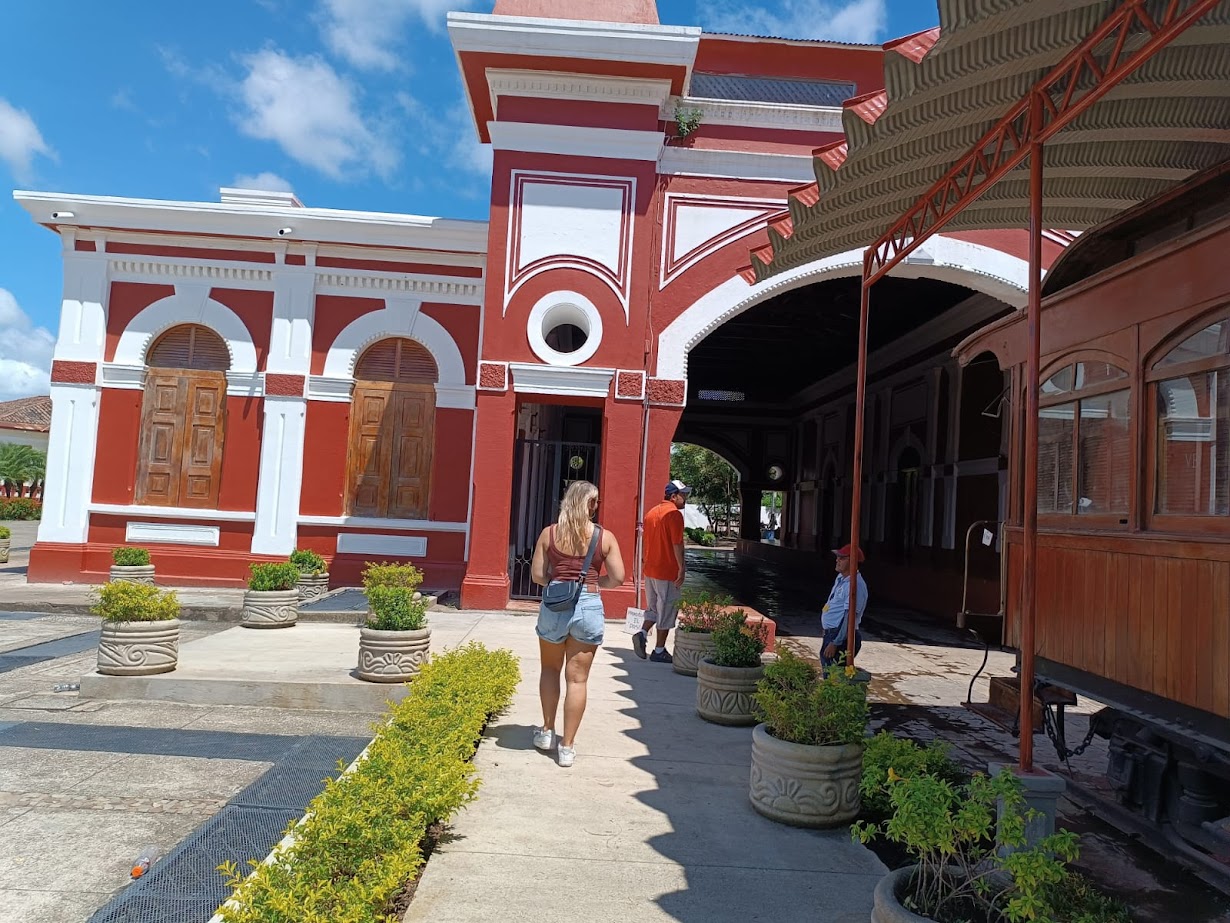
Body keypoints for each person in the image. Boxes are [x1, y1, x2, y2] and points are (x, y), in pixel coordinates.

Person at [530, 480, 625, 768]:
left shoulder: (550, 534)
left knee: (550, 669)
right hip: (589, 605)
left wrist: (560, 585)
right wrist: (593, 584)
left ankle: (547, 731)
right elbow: (619, 578)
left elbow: (536, 575)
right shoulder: (604, 537)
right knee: (578, 679)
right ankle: (567, 747)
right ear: (591, 504)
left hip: (555, 604)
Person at [632, 480, 689, 663]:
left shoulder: (651, 513)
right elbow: (677, 544)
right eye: (683, 494)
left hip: (650, 569)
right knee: (667, 608)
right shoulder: (674, 515)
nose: (685, 498)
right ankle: (659, 650)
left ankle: (642, 633)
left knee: (653, 607)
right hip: (667, 570)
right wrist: (682, 568)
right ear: (673, 496)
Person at [820, 543, 868, 668]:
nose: (837, 560)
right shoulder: (841, 578)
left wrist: (836, 642)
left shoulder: (855, 585)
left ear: (852, 562)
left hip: (840, 637)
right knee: (829, 673)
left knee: (833, 676)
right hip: (832, 633)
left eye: (842, 558)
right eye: (838, 557)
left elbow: (849, 617)